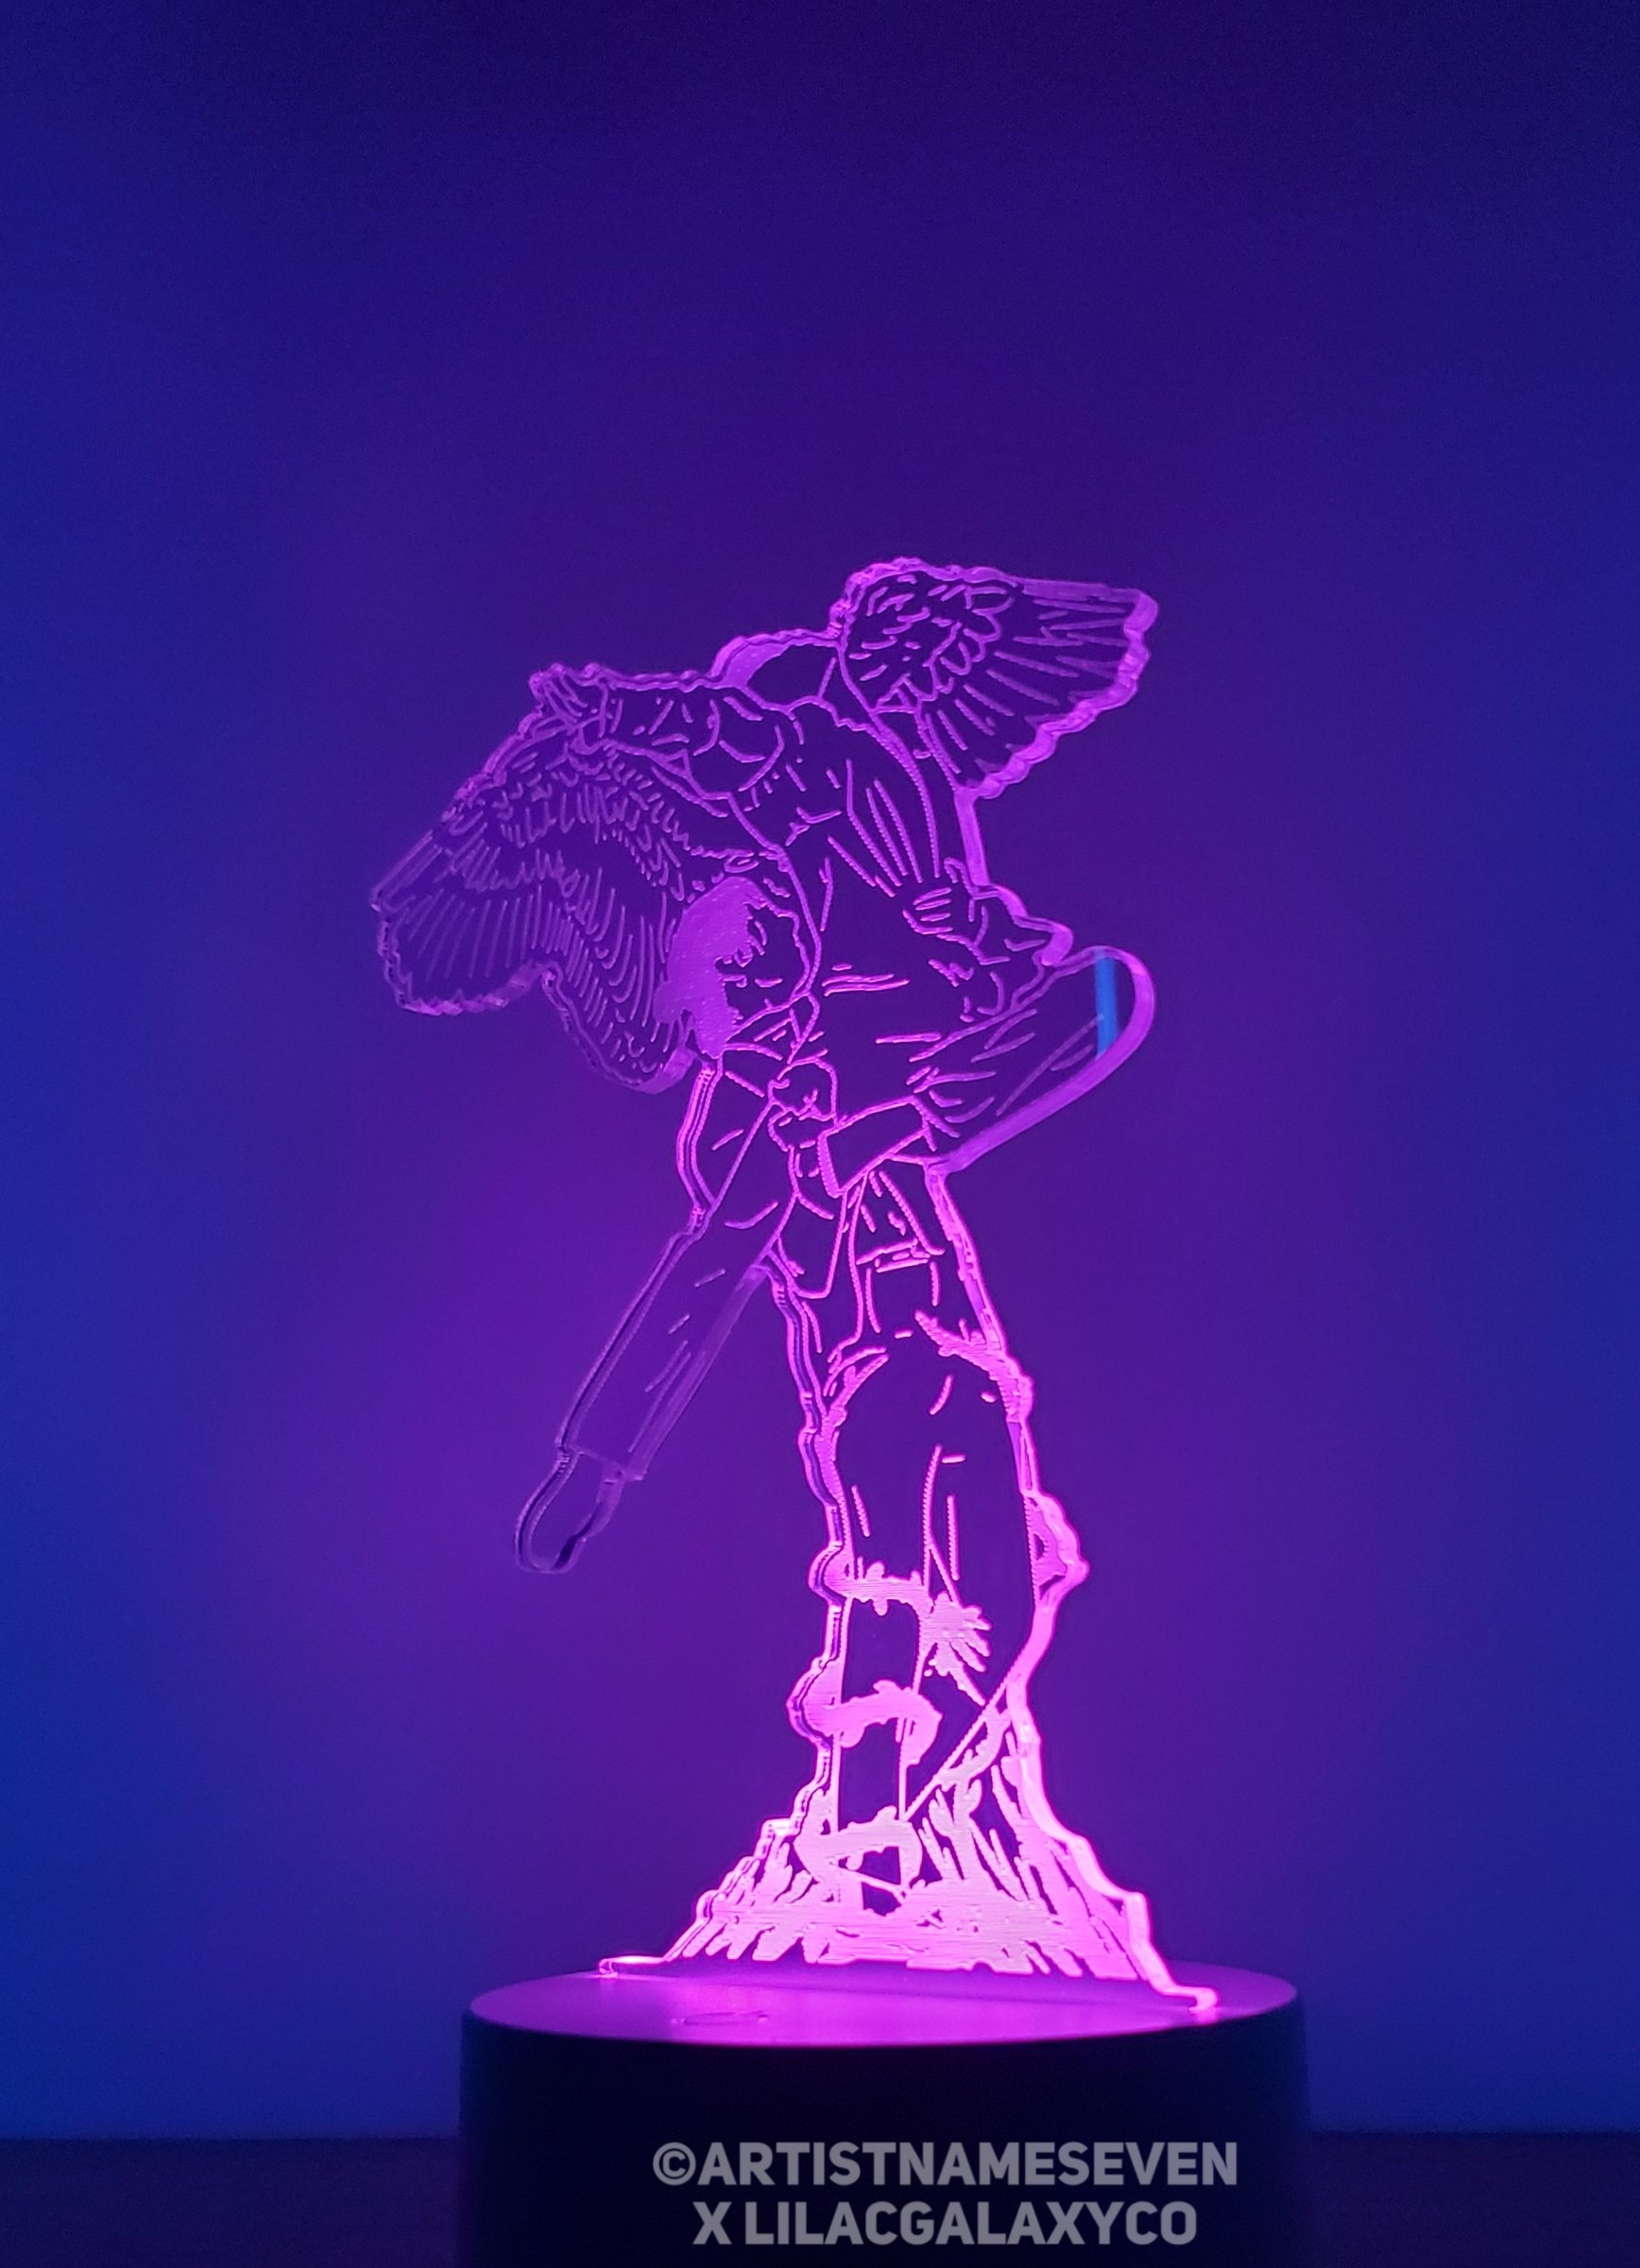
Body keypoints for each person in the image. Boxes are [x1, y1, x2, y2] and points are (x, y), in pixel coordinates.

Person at [375, 559, 1184, 1985]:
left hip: (961, 1373)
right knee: (889, 1604)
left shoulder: (870, 1041)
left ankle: (915, 1867)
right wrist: (594, 1465)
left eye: (773, 956)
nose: (762, 982)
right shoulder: (751, 1125)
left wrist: (918, 1085)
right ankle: (866, 1870)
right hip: (872, 1385)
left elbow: (1094, 1004)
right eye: (735, 977)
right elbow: (700, 1280)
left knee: (1000, 1613)